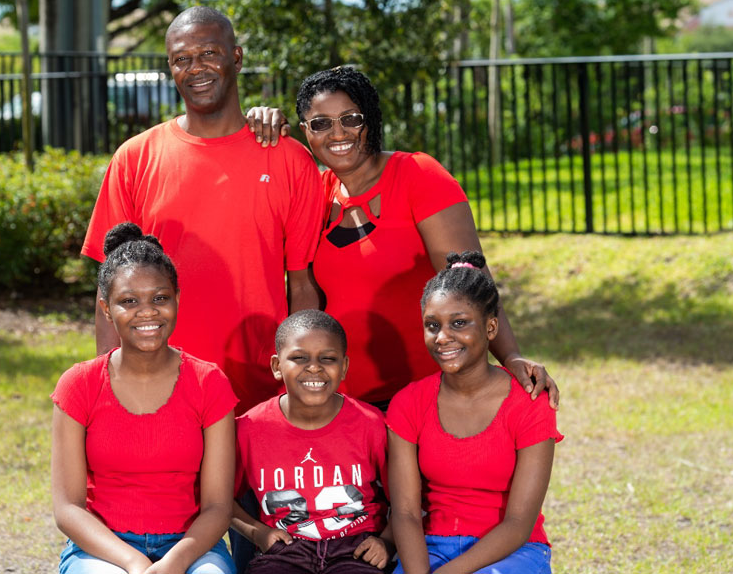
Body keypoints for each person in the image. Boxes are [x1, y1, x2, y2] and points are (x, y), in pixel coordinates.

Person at [81, 6, 323, 415]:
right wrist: (110, 390)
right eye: (182, 59)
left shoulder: (289, 160)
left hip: (259, 392)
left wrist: (300, 383)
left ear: (237, 58)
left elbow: (302, 286)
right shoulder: (135, 159)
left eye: (209, 53)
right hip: (160, 388)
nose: (196, 68)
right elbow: (109, 291)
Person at [273, 65, 558, 411]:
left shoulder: (418, 176)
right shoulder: (315, 194)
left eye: (351, 118)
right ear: (306, 131)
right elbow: (304, 294)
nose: (338, 133)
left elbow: (470, 284)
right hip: (343, 406)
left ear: (371, 120)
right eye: (321, 123)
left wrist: (510, 355)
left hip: (424, 399)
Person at [51, 222, 238, 574]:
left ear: (177, 299)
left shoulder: (209, 382)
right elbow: (68, 509)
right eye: (129, 301)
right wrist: (134, 563)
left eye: (160, 298)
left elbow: (217, 507)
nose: (148, 311)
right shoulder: (79, 384)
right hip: (103, 548)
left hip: (190, 547)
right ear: (107, 309)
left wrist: (172, 564)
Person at [387, 251, 563, 574]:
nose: (442, 337)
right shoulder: (408, 403)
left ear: (491, 326)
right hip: (431, 549)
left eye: (459, 323)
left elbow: (518, 522)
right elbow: (406, 513)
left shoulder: (529, 402)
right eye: (432, 325)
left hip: (511, 551)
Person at [233, 309, 394, 573]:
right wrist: (256, 533)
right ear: (276, 366)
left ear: (344, 367)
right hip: (285, 551)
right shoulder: (250, 428)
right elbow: (218, 499)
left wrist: (387, 542)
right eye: (299, 358)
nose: (314, 367)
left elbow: (405, 502)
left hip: (356, 548)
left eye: (328, 358)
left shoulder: (370, 423)